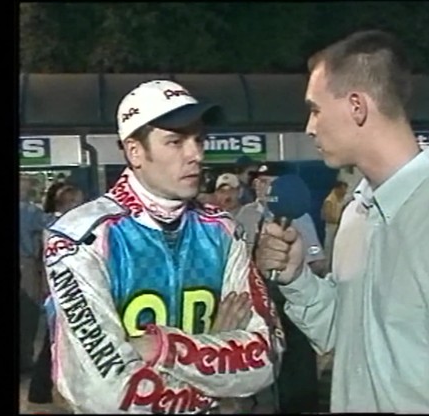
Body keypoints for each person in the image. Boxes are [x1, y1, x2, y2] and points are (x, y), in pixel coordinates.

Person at [255, 30, 429, 413]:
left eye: (316, 109)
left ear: (357, 106)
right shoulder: (356, 215)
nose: (309, 127)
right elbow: (347, 337)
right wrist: (297, 280)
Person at [42, 80, 284, 414]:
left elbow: (267, 358)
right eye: (175, 141)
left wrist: (163, 348)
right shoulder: (80, 238)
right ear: (135, 151)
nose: (196, 154)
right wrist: (218, 366)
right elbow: (106, 394)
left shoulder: (224, 230)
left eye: (198, 139)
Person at [236, 168, 326, 414]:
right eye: (260, 181)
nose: (263, 187)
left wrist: (296, 276)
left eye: (269, 182)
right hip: (256, 301)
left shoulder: (298, 216)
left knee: (295, 364)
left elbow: (317, 260)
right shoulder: (245, 215)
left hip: (291, 300)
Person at [28, 184, 85, 405]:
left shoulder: (54, 225)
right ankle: (43, 390)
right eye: (77, 201)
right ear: (67, 204)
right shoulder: (61, 228)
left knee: (55, 341)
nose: (81, 205)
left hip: (60, 290)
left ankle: (41, 391)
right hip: (65, 290)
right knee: (57, 341)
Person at [19, 176, 48, 374]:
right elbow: (52, 225)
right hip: (25, 264)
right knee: (28, 313)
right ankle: (25, 358)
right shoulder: (30, 211)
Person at [321, 180, 348, 271]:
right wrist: (340, 220)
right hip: (331, 228)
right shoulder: (329, 200)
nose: (345, 192)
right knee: (329, 249)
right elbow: (327, 216)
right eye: (343, 189)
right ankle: (325, 270)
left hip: (339, 227)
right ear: (337, 189)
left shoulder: (341, 200)